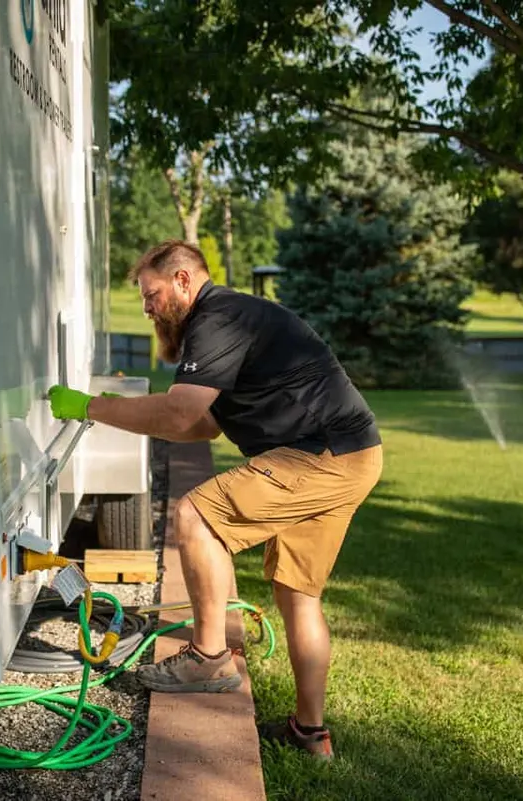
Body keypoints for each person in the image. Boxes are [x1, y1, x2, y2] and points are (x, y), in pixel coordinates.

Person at [46, 239, 383, 759]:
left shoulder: (218, 316)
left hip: (319, 454)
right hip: (353, 454)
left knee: (197, 514)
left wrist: (90, 405)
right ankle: (310, 735)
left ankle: (208, 659)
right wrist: (115, 410)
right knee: (298, 593)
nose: (147, 306)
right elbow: (202, 426)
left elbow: (180, 415)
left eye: (152, 293)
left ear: (183, 280)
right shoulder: (234, 320)